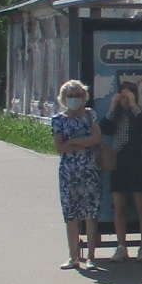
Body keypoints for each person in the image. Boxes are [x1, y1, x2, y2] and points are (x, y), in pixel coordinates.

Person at [100, 83, 142, 260]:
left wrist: (134, 105)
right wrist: (113, 106)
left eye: (128, 97)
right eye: (122, 97)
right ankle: (121, 246)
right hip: (119, 163)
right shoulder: (117, 116)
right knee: (119, 206)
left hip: (139, 164)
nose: (125, 101)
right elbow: (105, 128)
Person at [50, 79, 104, 269]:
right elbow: (59, 147)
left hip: (89, 171)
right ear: (63, 98)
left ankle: (90, 257)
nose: (74, 99)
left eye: (77, 95)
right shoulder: (58, 119)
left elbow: (96, 138)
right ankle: (73, 256)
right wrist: (83, 141)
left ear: (84, 97)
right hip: (68, 173)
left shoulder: (90, 115)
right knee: (70, 215)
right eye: (70, 96)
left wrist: (73, 141)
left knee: (90, 214)